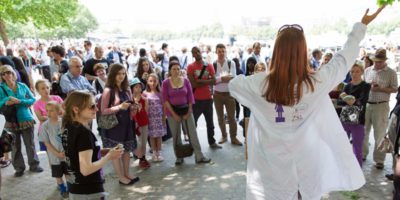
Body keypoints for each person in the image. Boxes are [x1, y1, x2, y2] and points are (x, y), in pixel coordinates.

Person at [228, 7, 384, 200]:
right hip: (306, 170)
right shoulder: (315, 83)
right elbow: (342, 60)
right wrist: (361, 27)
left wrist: (251, 78)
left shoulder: (258, 85)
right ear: (303, 52)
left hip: (272, 175)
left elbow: (233, 85)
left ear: (276, 51)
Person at [61, 91, 123, 198]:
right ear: (76, 109)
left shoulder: (69, 127)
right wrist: (109, 156)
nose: (97, 109)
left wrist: (102, 152)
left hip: (76, 188)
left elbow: (75, 154)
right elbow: (86, 169)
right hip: (88, 191)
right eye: (92, 106)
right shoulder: (83, 133)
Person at [162, 61, 211, 165]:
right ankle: (179, 157)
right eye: (173, 69)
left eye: (178, 69)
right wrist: (174, 115)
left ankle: (199, 156)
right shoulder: (165, 83)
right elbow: (165, 100)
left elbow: (190, 97)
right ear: (170, 71)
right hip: (172, 112)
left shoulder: (186, 81)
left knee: (192, 133)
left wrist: (189, 111)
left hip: (186, 110)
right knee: (176, 135)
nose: (176, 71)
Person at [0, 65, 43, 177]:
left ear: (13, 73)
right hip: (10, 121)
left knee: (30, 144)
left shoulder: (22, 86)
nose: (6, 75)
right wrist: (6, 100)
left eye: (8, 72)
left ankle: (34, 165)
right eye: (3, 74)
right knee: (15, 146)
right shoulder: (1, 88)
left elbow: (33, 99)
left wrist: (19, 101)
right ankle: (19, 168)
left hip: (25, 119)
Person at [100, 63, 139, 185]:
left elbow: (130, 107)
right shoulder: (108, 90)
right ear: (113, 74)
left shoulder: (127, 89)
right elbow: (103, 111)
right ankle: (120, 177)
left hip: (127, 124)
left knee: (127, 151)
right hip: (114, 126)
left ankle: (126, 173)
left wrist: (134, 108)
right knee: (117, 153)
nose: (121, 76)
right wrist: (119, 107)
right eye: (118, 73)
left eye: (123, 73)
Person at [363, 47, 398, 170]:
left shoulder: (391, 73)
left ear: (385, 61)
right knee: (364, 131)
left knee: (380, 133)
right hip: (367, 104)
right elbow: (363, 86)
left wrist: (381, 88)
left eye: (380, 61)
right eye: (376, 61)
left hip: (381, 105)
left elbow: (395, 89)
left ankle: (379, 160)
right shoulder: (367, 70)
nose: (377, 63)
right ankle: (363, 154)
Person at [187, 46, 221, 149]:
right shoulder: (190, 67)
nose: (197, 53)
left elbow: (214, 81)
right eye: (194, 52)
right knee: (194, 124)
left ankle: (212, 142)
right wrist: (206, 82)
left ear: (201, 52)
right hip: (196, 100)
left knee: (210, 123)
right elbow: (193, 84)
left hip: (208, 99)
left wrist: (200, 81)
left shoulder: (209, 65)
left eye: (198, 51)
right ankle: (192, 143)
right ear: (192, 55)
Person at [337, 62, 371, 166]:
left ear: (361, 72)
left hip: (358, 122)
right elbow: (339, 102)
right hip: (344, 121)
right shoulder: (347, 86)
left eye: (357, 71)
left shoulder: (365, 85)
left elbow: (362, 101)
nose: (354, 74)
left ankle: (358, 174)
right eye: (352, 71)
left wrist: (349, 99)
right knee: (342, 146)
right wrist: (351, 100)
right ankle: (344, 170)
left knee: (357, 149)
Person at [212, 43, 242, 146]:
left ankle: (234, 137)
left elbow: (232, 77)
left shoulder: (231, 63)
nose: (221, 53)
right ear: (216, 52)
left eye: (223, 51)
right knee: (220, 117)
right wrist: (222, 79)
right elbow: (212, 81)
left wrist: (219, 79)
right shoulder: (213, 64)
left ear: (226, 52)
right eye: (219, 51)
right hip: (217, 95)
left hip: (229, 94)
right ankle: (224, 136)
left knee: (232, 118)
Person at [39, 101, 69, 198]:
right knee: (58, 174)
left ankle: (69, 187)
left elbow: (69, 138)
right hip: (54, 157)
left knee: (68, 172)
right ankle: (62, 189)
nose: (48, 113)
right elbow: (46, 143)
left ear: (58, 111)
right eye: (47, 111)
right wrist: (57, 153)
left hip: (66, 155)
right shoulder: (45, 126)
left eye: (51, 111)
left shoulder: (64, 123)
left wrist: (66, 151)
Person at [33, 79, 63, 152]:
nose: (46, 90)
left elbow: (63, 112)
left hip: (59, 129)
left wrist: (49, 116)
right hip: (46, 131)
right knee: (50, 153)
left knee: (62, 151)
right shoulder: (37, 104)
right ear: (38, 91)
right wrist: (56, 115)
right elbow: (41, 118)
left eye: (47, 87)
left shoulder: (57, 98)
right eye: (42, 88)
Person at [143, 73, 167, 161]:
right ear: (147, 82)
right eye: (150, 81)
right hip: (150, 118)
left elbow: (164, 105)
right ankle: (154, 152)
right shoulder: (145, 93)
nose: (152, 83)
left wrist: (164, 116)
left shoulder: (160, 92)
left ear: (157, 81)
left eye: (154, 81)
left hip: (159, 118)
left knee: (159, 136)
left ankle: (159, 152)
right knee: (152, 136)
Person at [130, 78, 151, 169]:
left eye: (139, 87)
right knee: (137, 142)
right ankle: (140, 156)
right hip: (134, 123)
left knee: (143, 141)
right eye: (136, 87)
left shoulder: (144, 99)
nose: (138, 89)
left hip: (144, 122)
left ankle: (143, 158)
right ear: (132, 88)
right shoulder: (130, 99)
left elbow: (146, 111)